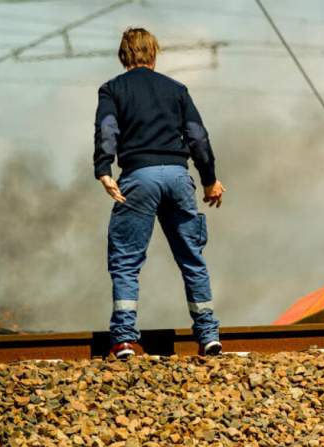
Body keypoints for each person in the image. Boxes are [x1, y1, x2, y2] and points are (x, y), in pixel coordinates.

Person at [93, 28, 225, 359]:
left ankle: (124, 339)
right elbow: (197, 136)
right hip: (179, 177)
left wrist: (104, 170)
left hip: (139, 177)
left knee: (126, 260)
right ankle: (208, 334)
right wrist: (209, 179)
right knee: (191, 257)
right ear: (154, 54)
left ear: (123, 55)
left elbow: (107, 129)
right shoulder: (176, 89)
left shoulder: (112, 90)